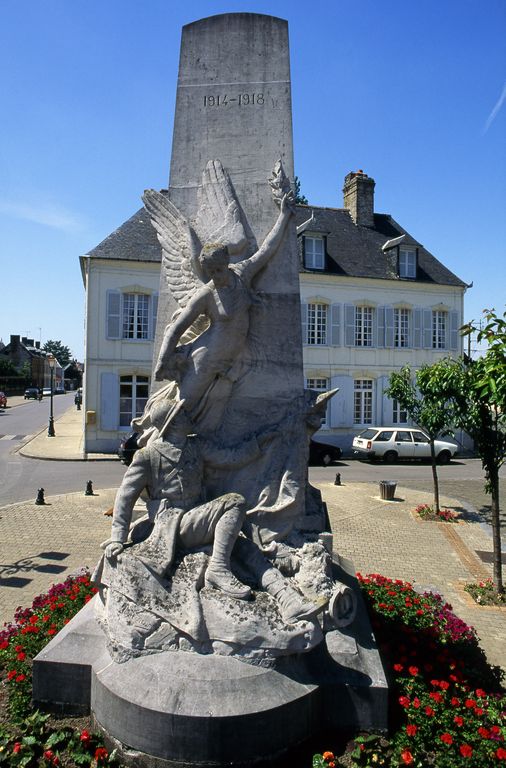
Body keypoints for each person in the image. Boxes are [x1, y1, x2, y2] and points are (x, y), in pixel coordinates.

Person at [104, 398, 320, 623]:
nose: (190, 417)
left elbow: (232, 457)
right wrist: (117, 538)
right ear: (173, 422)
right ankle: (217, 569)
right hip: (173, 525)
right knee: (234, 501)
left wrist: (262, 440)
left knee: (248, 551)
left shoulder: (195, 446)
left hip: (199, 519)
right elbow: (125, 496)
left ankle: (288, 600)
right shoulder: (148, 456)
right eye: (183, 414)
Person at [154, 192, 295, 416]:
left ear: (227, 262)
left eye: (218, 270)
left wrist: (284, 215)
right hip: (207, 359)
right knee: (180, 411)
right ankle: (157, 444)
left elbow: (267, 250)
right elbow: (177, 328)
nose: (215, 276)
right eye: (210, 272)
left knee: (224, 416)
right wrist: (162, 362)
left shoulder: (242, 273)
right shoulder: (206, 294)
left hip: (236, 359)